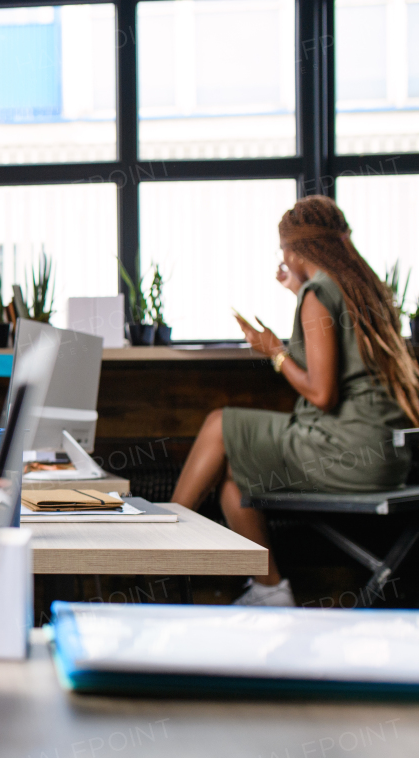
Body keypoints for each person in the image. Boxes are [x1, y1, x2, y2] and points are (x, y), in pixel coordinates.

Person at [171, 196, 419, 607]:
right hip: (386, 457)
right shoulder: (363, 289)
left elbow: (323, 394)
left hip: (344, 448)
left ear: (295, 249)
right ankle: (271, 590)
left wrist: (274, 351)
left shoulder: (318, 294)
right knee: (233, 475)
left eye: (284, 249)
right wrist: (297, 289)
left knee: (220, 423)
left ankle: (159, 539)